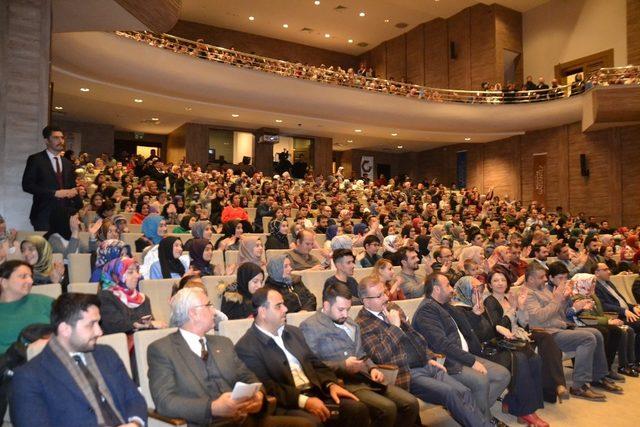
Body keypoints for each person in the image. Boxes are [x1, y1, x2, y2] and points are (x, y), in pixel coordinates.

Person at [148, 287, 311, 427]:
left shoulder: (222, 343)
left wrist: (258, 396)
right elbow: (165, 401)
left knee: (307, 425)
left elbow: (247, 376)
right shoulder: (162, 350)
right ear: (193, 313)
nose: (214, 311)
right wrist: (212, 407)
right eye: (208, 306)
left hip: (243, 420)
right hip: (206, 423)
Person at [356, 275, 494, 427]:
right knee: (451, 394)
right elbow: (380, 356)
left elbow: (416, 337)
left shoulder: (392, 308)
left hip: (426, 363)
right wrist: (394, 328)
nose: (386, 297)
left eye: (385, 292)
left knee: (465, 392)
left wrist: (430, 358)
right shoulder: (362, 324)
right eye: (379, 295)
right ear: (365, 300)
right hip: (406, 372)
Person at [235, 287, 370, 426]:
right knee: (313, 423)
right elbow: (269, 387)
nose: (286, 309)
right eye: (278, 306)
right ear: (263, 312)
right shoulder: (247, 347)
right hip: (287, 405)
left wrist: (331, 384)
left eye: (283, 304)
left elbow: (316, 364)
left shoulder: (294, 333)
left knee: (357, 408)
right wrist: (304, 401)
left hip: (316, 391)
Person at [10, 293, 147, 426]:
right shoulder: (29, 377)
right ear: (65, 329)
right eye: (91, 324)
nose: (99, 331)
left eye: (98, 323)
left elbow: (133, 398)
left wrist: (135, 423)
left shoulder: (106, 354)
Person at [299, 283, 420, 427]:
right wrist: (343, 365)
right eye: (341, 309)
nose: (345, 314)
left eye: (348, 309)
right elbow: (311, 364)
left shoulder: (351, 323)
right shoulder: (311, 326)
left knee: (411, 403)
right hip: (341, 382)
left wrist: (372, 368)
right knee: (387, 409)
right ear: (326, 305)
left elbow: (361, 353)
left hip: (364, 378)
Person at [412, 273, 511, 425]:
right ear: (437, 289)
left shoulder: (444, 305)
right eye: (448, 286)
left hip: (462, 355)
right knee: (480, 381)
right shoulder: (427, 311)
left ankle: (475, 415)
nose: (452, 289)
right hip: (447, 361)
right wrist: (471, 361)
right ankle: (483, 421)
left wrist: (476, 315)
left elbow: (463, 326)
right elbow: (441, 344)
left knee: (502, 375)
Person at [451, 275, 548, 426]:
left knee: (532, 357)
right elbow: (471, 337)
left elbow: (492, 328)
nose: (480, 293)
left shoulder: (477, 305)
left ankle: (516, 403)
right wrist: (478, 317)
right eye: (475, 290)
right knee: (519, 358)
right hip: (479, 353)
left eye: (481, 289)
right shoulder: (457, 309)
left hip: (492, 346)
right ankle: (525, 411)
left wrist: (500, 325)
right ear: (465, 291)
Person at [521, 263, 621, 400]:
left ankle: (598, 376)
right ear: (531, 279)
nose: (545, 279)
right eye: (541, 277)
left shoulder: (543, 289)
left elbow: (559, 313)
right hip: (547, 333)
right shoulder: (527, 294)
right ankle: (579, 386)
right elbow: (538, 319)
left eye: (545, 276)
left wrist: (564, 300)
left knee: (597, 333)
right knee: (588, 338)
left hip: (559, 327)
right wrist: (556, 300)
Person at [484, 270, 568, 403]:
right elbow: (497, 327)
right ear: (489, 284)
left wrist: (521, 308)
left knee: (547, 339)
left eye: (503, 280)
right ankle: (546, 392)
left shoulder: (508, 298)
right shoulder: (489, 301)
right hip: (506, 339)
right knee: (534, 357)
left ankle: (558, 385)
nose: (500, 283)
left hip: (520, 332)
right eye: (495, 280)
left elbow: (523, 324)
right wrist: (513, 309)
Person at [571, 273, 638, 377]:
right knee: (613, 331)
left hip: (596, 321)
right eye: (591, 282)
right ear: (582, 283)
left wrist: (611, 319)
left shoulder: (591, 295)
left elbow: (600, 314)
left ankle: (618, 365)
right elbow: (585, 318)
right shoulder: (577, 297)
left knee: (623, 330)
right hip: (583, 324)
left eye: (594, 282)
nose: (594, 285)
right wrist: (608, 321)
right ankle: (605, 369)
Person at [21, 126, 81, 230]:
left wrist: (77, 205)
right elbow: (27, 185)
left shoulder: (67, 163)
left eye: (62, 138)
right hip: (44, 215)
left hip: (65, 216)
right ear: (46, 141)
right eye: (56, 138)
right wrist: (54, 193)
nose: (61, 141)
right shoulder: (36, 159)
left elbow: (72, 187)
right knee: (45, 246)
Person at [97, 257, 164, 335]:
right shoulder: (105, 297)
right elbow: (114, 327)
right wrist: (146, 324)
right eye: (130, 272)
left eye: (137, 271)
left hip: (144, 343)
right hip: (119, 345)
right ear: (116, 276)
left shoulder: (143, 299)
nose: (138, 276)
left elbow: (151, 327)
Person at [0, 260, 53, 355]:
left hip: (51, 357)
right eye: (23, 276)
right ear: (4, 282)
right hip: (12, 365)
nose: (31, 281)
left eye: (30, 276)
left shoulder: (43, 301)